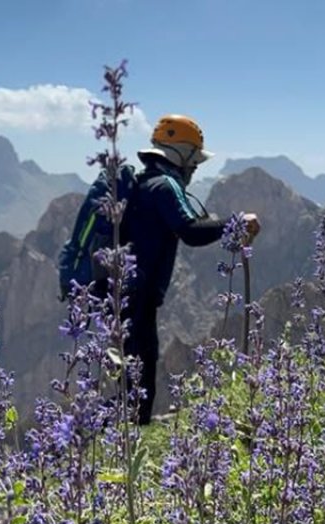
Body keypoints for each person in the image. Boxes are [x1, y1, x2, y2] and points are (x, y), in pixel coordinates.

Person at [100, 114, 261, 425]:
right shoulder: (165, 186)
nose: (196, 168)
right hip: (137, 297)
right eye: (194, 161)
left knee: (132, 374)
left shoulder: (145, 183)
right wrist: (236, 223)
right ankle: (110, 441)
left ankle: (113, 437)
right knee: (139, 377)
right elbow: (190, 230)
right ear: (182, 156)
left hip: (122, 293)